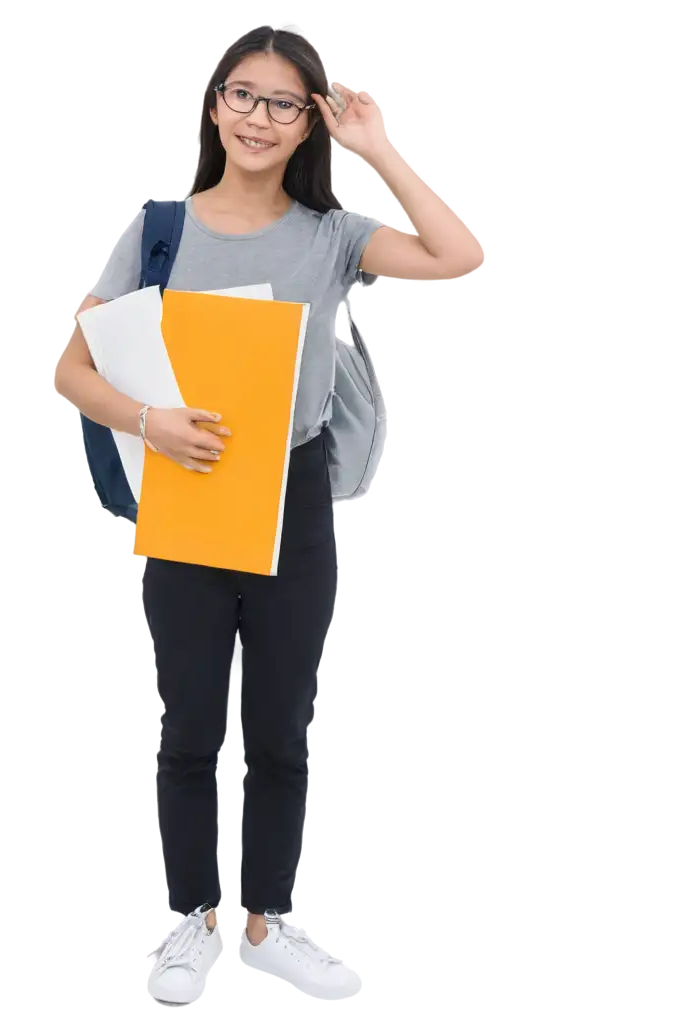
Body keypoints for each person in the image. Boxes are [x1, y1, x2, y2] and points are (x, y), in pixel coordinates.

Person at [50, 17, 486, 1007]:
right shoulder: (157, 225)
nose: (258, 116)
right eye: (243, 95)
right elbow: (68, 366)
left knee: (282, 720)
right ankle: (189, 921)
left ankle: (268, 915)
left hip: (294, 490)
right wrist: (147, 419)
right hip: (186, 485)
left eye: (282, 103)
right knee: (192, 719)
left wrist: (382, 153)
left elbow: (459, 258)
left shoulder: (332, 235)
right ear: (215, 107)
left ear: (308, 125)